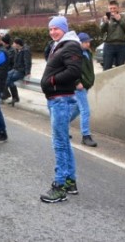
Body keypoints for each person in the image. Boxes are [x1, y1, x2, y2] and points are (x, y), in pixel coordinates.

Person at [40, 16, 82, 203]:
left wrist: (52, 81)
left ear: (64, 28)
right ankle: (70, 181)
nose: (53, 32)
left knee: (59, 143)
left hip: (61, 100)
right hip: (58, 99)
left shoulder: (71, 45)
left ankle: (59, 187)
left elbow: (74, 71)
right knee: (63, 141)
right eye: (50, 29)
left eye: (56, 29)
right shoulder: (61, 45)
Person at [71, 33, 98, 147]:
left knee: (77, 110)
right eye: (86, 42)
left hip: (85, 85)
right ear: (79, 43)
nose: (88, 43)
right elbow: (71, 69)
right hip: (79, 87)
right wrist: (77, 82)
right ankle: (85, 136)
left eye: (89, 41)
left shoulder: (87, 52)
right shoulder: (75, 54)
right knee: (85, 110)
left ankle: (61, 126)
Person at [100, 0, 125, 70]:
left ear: (118, 8)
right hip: (109, 45)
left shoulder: (124, 17)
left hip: (121, 45)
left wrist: (120, 20)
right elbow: (101, 31)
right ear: (108, 9)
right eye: (111, 8)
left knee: (120, 68)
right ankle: (107, 81)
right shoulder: (105, 18)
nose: (112, 10)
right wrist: (105, 23)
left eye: (114, 8)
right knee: (107, 67)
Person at [6, 38, 32, 106]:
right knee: (5, 77)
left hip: (21, 71)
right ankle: (13, 97)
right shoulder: (17, 50)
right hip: (15, 69)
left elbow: (27, 62)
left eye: (13, 43)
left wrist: (27, 73)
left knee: (9, 80)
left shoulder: (25, 51)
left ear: (17, 44)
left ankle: (11, 96)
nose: (12, 45)